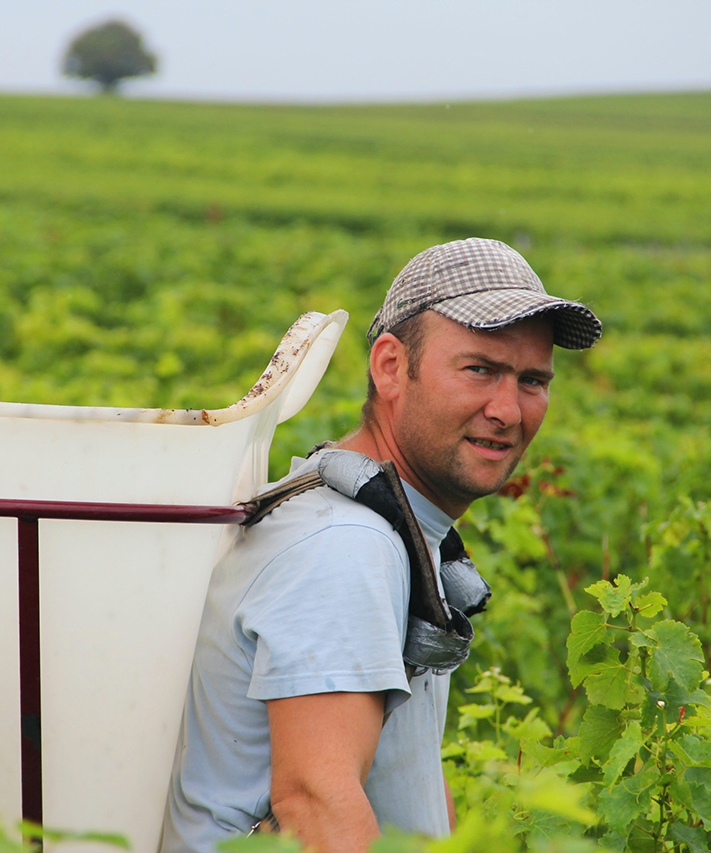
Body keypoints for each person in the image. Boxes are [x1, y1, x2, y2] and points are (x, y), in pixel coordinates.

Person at [160, 238, 602, 853]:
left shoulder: (369, 516)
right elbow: (317, 806)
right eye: (480, 369)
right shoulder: (346, 546)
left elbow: (404, 773)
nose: (507, 409)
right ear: (391, 366)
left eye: (532, 380)